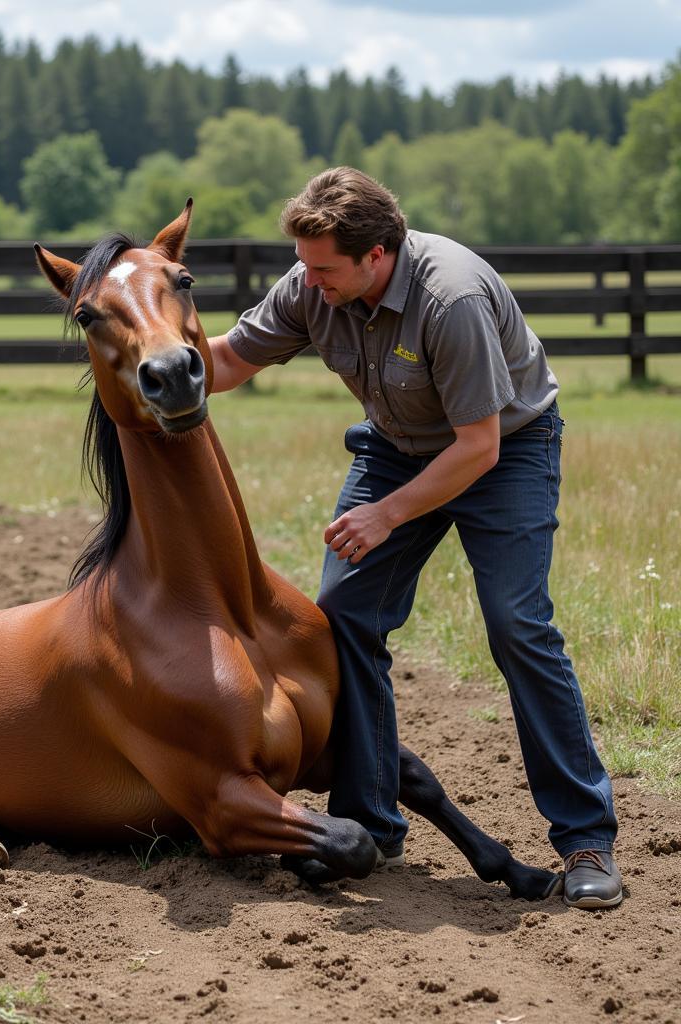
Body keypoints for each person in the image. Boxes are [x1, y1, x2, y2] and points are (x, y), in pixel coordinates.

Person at [207, 167, 621, 910]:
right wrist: (148, 355)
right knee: (343, 618)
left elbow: (478, 446)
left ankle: (586, 836)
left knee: (517, 624)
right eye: (303, 264)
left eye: (323, 268)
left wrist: (386, 513)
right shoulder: (314, 284)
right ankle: (371, 821)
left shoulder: (449, 297)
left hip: (503, 452)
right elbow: (230, 359)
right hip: (398, 447)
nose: (307, 281)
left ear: (378, 254)